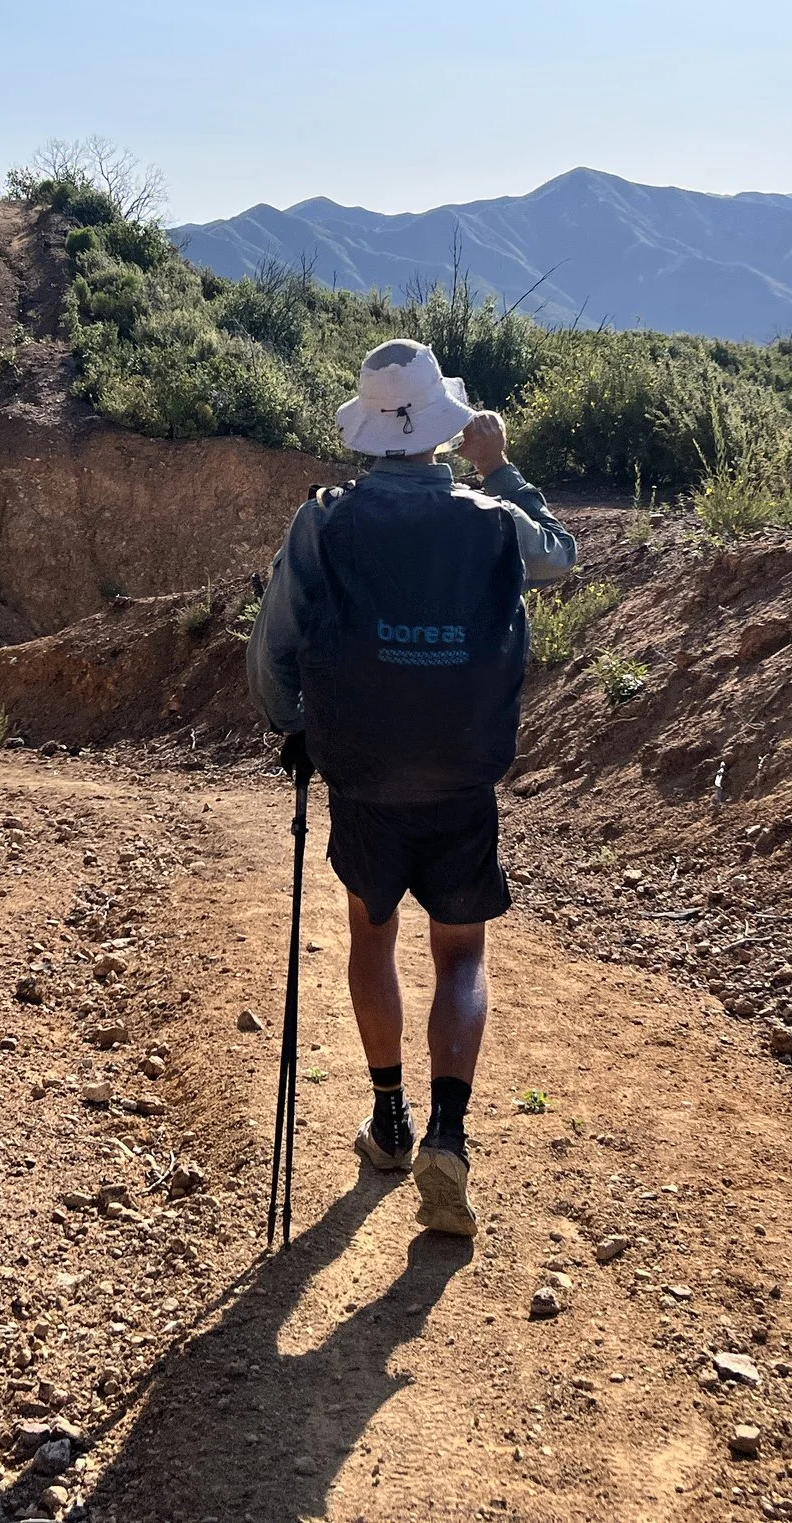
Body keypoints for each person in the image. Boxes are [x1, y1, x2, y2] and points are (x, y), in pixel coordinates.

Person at [246, 338, 577, 1239]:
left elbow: (274, 648)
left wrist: (294, 727)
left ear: (366, 429)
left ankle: (389, 1122)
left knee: (372, 933)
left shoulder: (324, 520)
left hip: (364, 771)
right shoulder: (490, 516)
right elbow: (560, 555)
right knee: (461, 955)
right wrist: (500, 468)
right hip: (461, 769)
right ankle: (449, 1136)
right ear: (441, 426)